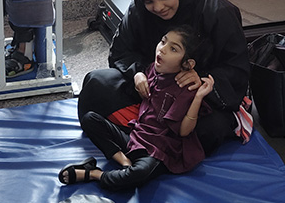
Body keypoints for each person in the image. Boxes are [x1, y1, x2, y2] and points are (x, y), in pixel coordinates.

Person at [77, 0, 250, 155]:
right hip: (153, 94)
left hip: (194, 102)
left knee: (209, 129)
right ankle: (153, 141)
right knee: (96, 84)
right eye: (149, 1)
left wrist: (202, 80)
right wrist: (139, 73)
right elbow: (121, 52)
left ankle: (136, 140)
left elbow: (238, 69)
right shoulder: (138, 11)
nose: (158, 7)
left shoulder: (218, 12)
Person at [60, 25, 213, 190]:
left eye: (173, 49)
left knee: (137, 175)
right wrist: (138, 74)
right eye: (163, 42)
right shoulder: (154, 70)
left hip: (157, 150)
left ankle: (93, 174)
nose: (162, 50)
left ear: (187, 64)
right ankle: (125, 161)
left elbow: (184, 132)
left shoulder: (187, 88)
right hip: (136, 136)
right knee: (90, 119)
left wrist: (198, 97)